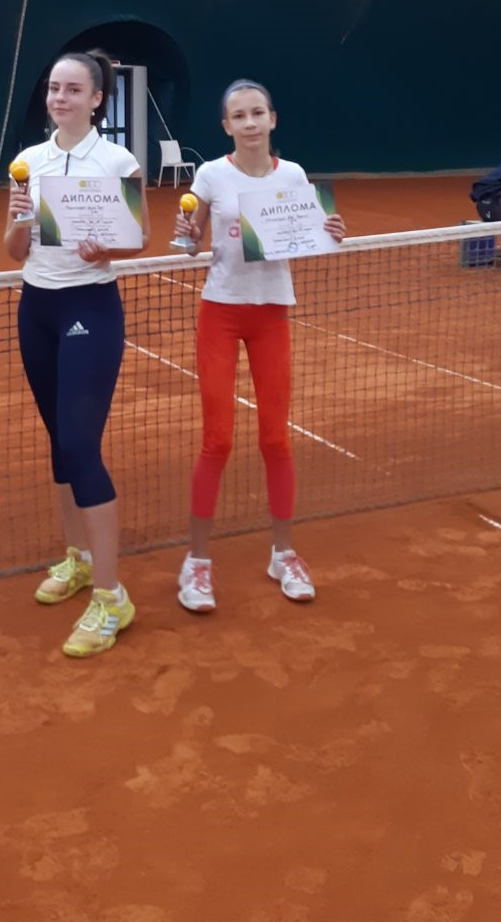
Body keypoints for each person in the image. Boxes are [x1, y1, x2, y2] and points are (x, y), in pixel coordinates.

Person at [172, 79, 345, 614]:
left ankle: (283, 555)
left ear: (272, 119)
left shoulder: (293, 175)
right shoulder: (210, 175)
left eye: (257, 113)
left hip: (272, 313)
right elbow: (190, 241)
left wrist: (331, 230)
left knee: (275, 438)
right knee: (217, 440)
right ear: (226, 126)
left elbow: (310, 234)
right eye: (239, 116)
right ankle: (196, 563)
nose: (249, 123)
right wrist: (187, 234)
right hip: (221, 313)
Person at [5, 49, 150, 658]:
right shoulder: (29, 162)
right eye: (53, 88)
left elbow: (138, 237)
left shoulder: (117, 160)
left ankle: (112, 596)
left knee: (81, 445)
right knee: (59, 443)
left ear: (96, 100)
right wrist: (18, 218)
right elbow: (14, 251)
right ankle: (81, 559)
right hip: (35, 308)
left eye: (72, 90)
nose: (59, 98)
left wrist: (105, 250)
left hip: (89, 306)